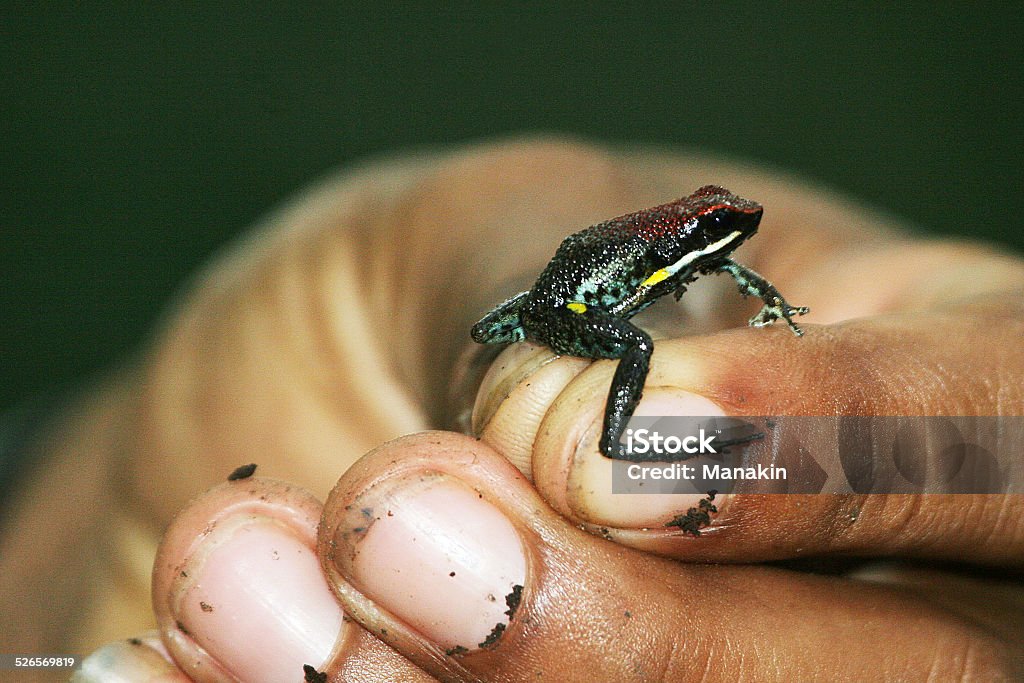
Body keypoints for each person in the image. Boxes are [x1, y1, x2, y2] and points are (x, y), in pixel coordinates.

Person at [3, 139, 1022, 681]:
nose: (734, 228)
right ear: (692, 234)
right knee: (629, 355)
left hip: (549, 297)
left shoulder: (716, 259)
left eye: (726, 224)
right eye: (718, 224)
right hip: (568, 307)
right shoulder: (667, 256)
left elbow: (742, 278)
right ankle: (624, 437)